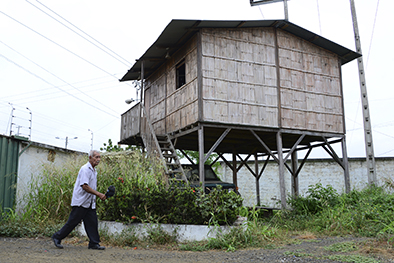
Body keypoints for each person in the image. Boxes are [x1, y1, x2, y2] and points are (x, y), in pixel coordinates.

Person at [52, 150, 106, 250]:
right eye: (96, 157)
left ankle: (94, 243)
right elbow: (85, 186)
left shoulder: (94, 171)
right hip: (81, 201)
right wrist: (98, 194)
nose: (98, 160)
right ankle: (57, 236)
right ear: (90, 158)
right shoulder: (85, 169)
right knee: (72, 222)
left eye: (99, 157)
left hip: (89, 202)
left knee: (92, 222)